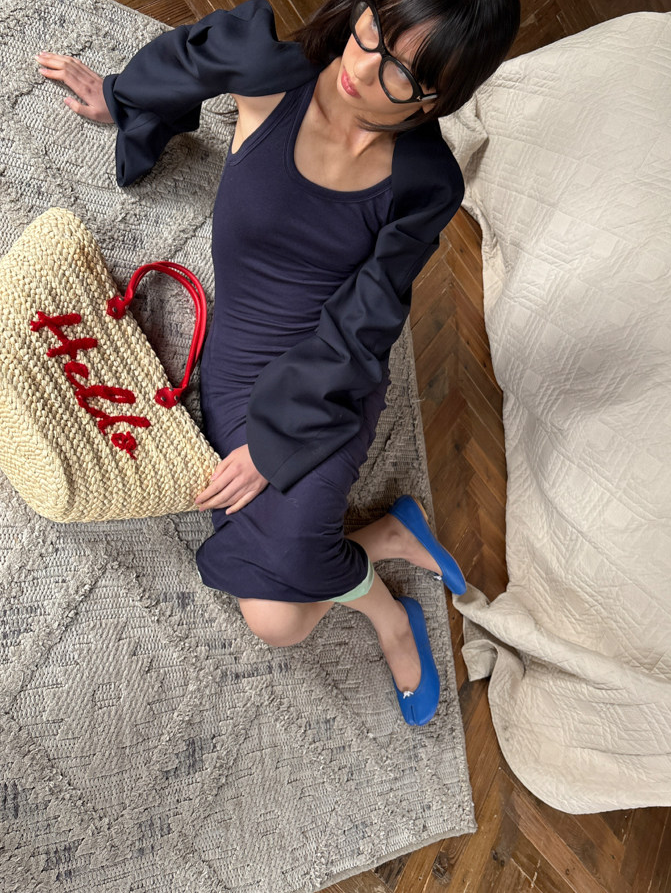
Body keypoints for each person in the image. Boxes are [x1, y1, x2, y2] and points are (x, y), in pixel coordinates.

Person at [36, 0, 520, 726]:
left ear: (436, 99)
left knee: (276, 617)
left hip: (329, 378)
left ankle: (388, 580)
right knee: (279, 615)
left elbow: (366, 320)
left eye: (400, 71)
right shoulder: (269, 75)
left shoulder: (426, 181)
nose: (362, 67)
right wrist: (120, 95)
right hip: (239, 360)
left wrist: (274, 440)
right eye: (373, 32)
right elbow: (186, 55)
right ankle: (386, 574)